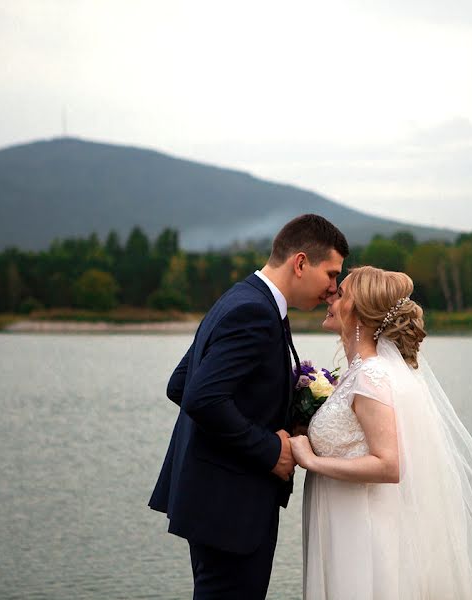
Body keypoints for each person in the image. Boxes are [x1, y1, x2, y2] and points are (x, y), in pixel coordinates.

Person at [149, 214, 349, 599]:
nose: (333, 289)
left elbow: (182, 384)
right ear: (301, 262)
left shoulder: (241, 297)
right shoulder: (255, 311)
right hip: (230, 508)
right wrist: (270, 449)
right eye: (331, 274)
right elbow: (200, 397)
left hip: (214, 500)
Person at [290, 266, 472, 599]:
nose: (331, 297)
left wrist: (311, 460)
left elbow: (389, 465)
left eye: (341, 295)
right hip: (345, 524)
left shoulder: (372, 377)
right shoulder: (363, 373)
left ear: (358, 311)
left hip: (360, 534)